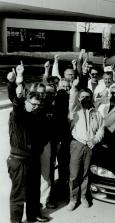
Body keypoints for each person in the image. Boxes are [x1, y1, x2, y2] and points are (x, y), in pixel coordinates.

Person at [7, 64, 50, 223]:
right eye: (33, 104)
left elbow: (43, 133)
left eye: (38, 105)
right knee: (18, 194)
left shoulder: (34, 115)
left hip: (33, 158)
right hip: (18, 160)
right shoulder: (18, 115)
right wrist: (17, 81)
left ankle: (33, 216)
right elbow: (17, 102)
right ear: (26, 101)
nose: (36, 107)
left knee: (33, 190)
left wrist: (39, 146)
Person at [67, 78, 104, 211]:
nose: (84, 99)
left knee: (85, 174)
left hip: (90, 147)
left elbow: (101, 130)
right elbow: (71, 100)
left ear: (91, 98)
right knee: (74, 174)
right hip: (77, 145)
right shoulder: (73, 112)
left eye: (87, 97)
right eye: (82, 97)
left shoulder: (97, 114)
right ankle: (73, 199)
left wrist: (94, 140)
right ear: (78, 98)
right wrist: (74, 87)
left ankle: (83, 197)